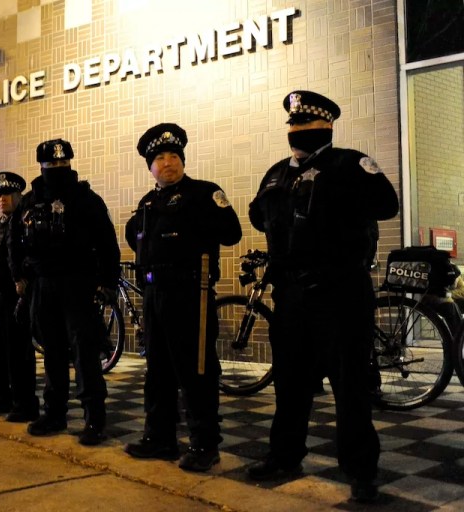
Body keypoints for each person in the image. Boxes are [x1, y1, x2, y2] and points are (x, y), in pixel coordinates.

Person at [246, 90, 399, 503]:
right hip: (292, 296)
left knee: (350, 388)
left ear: (327, 128)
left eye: (309, 127)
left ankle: (361, 471)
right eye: (295, 126)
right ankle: (284, 455)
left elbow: (388, 204)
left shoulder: (349, 163)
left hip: (340, 296)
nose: (300, 133)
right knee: (290, 385)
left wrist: (332, 192)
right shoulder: (277, 172)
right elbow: (257, 214)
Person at [123, 123, 242, 471]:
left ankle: (205, 443)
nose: (168, 162)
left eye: (174, 156)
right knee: (157, 370)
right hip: (154, 293)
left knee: (196, 370)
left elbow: (231, 232)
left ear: (183, 161)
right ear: (150, 167)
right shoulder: (148, 202)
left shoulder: (204, 194)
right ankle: (160, 438)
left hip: (190, 294)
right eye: (159, 158)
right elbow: (137, 238)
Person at [9, 138, 120, 446]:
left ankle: (94, 419)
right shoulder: (30, 202)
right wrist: (18, 276)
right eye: (50, 165)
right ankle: (54, 414)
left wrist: (108, 283)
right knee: (52, 352)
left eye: (61, 164)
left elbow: (108, 243)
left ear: (69, 164)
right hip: (42, 285)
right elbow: (14, 241)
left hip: (77, 283)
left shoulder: (86, 199)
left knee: (84, 353)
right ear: (41, 166)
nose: (56, 169)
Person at [0, 172, 39, 422]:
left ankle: (25, 402)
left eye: (7, 195)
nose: (2, 199)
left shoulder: (26, 225)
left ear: (18, 196)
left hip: (17, 298)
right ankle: (1, 395)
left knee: (19, 353)